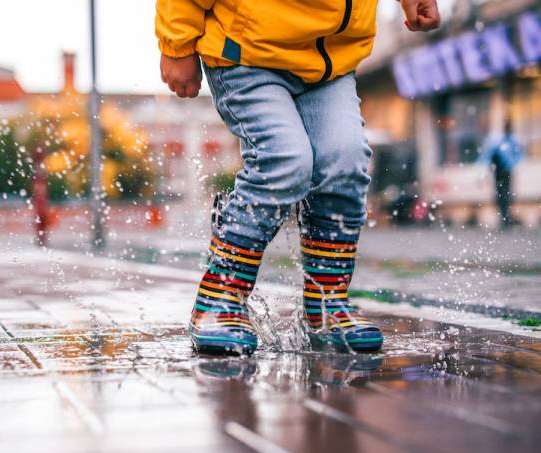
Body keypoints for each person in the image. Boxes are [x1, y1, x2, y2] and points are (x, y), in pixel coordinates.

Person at [156, 0, 441, 355]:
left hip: (329, 63)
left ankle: (326, 305)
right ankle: (220, 296)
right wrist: (177, 45)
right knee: (285, 161)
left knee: (346, 162)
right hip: (248, 54)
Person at [480, 120, 524, 228]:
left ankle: (505, 217)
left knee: (504, 194)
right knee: (504, 194)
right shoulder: (502, 142)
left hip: (502, 172)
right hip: (502, 172)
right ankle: (504, 217)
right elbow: (489, 157)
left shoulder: (505, 142)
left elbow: (490, 157)